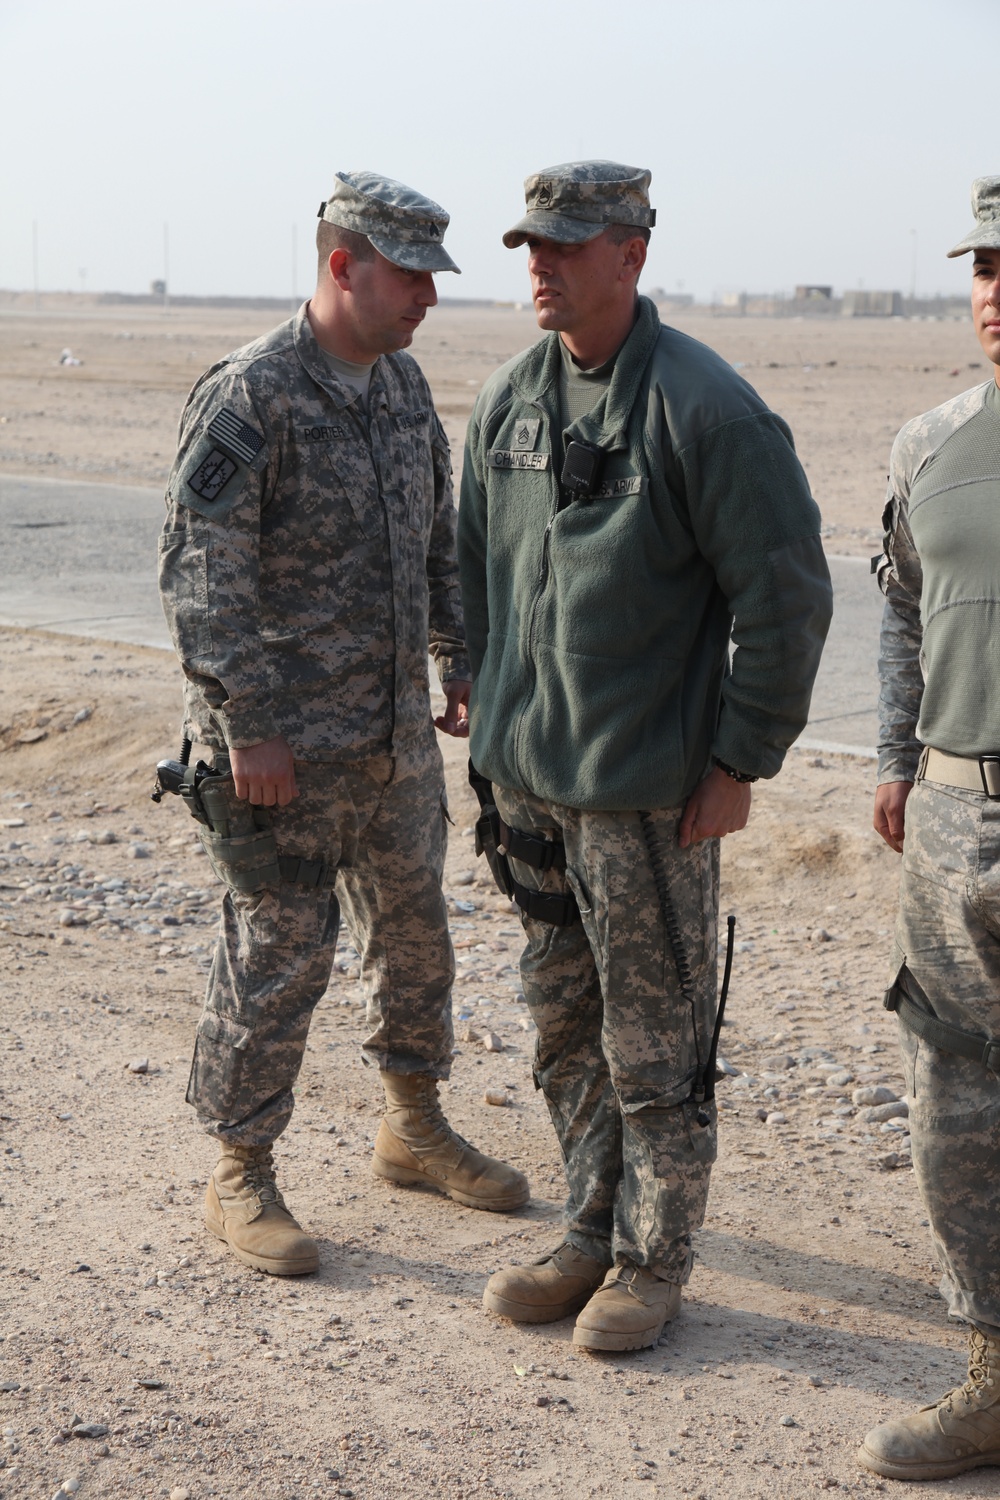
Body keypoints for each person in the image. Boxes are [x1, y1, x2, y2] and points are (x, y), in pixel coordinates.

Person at [457, 160, 832, 1351]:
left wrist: (739, 762)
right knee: (561, 1025)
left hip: (643, 797)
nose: (541, 268)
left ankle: (650, 1262)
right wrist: (481, 706)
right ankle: (586, 1226)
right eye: (531, 247)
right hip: (530, 787)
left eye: (568, 247)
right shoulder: (509, 401)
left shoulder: (707, 410)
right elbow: (477, 571)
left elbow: (784, 600)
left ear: (633, 252)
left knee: (655, 1042)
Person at [158, 171, 528, 1279]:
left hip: (391, 737)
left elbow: (437, 542)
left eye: (432, 277)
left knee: (415, 940)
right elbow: (198, 573)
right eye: (409, 276)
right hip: (279, 753)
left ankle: (411, 1128)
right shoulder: (251, 395)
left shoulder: (401, 389)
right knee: (277, 957)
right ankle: (240, 1172)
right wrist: (248, 726)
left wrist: (455, 662)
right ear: (340, 265)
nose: (427, 297)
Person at [860, 177, 1000, 1481]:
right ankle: (995, 1372)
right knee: (957, 1094)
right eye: (987, 268)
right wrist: (902, 760)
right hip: (958, 814)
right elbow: (902, 611)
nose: (997, 295)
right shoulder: (931, 443)